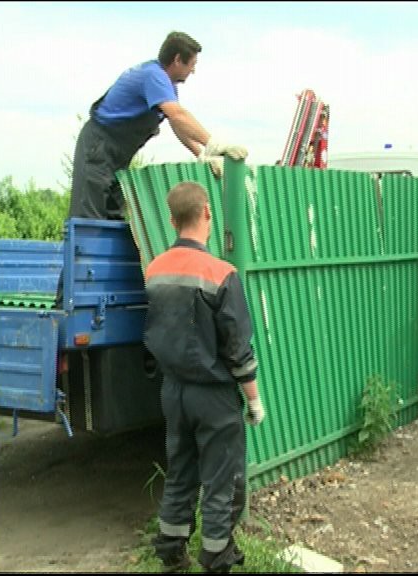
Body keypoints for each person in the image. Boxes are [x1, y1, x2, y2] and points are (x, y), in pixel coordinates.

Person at [144, 181, 265, 572]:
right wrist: (254, 400)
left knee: (180, 472)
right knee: (222, 482)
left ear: (171, 219)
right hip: (213, 398)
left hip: (173, 391)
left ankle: (171, 556)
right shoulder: (220, 273)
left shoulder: (155, 269)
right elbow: (237, 348)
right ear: (207, 214)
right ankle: (217, 558)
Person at [68, 31, 247, 220]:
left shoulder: (166, 84)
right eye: (192, 64)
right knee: (90, 215)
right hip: (98, 147)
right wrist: (213, 144)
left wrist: (201, 154)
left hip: (116, 155)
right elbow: (179, 115)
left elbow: (177, 123)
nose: (193, 70)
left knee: (113, 213)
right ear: (178, 60)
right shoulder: (153, 76)